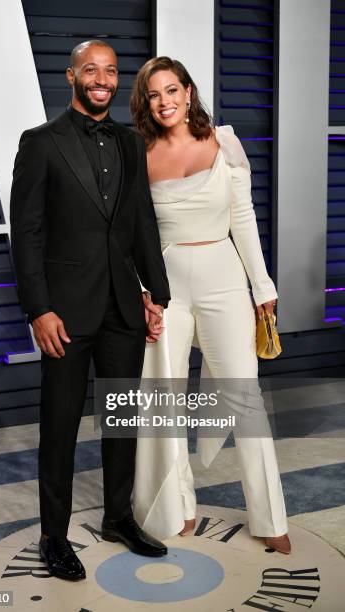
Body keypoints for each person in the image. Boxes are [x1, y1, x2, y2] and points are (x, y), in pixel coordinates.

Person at [10, 40, 171, 581]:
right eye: (91, 70)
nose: (101, 79)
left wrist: (157, 293)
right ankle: (53, 536)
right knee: (59, 427)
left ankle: (118, 517)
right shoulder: (40, 143)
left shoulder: (130, 141)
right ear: (72, 76)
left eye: (110, 71)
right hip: (65, 314)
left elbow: (142, 221)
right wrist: (39, 310)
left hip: (124, 307)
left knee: (121, 420)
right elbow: (27, 235)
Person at [130, 57, 291, 555]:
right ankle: (176, 506)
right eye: (154, 94)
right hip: (165, 286)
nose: (165, 102)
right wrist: (141, 291)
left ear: (189, 90)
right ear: (145, 102)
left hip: (225, 280)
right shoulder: (138, 152)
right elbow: (132, 233)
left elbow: (243, 219)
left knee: (245, 400)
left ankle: (270, 519)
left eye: (172, 89)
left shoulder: (225, 143)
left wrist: (263, 289)